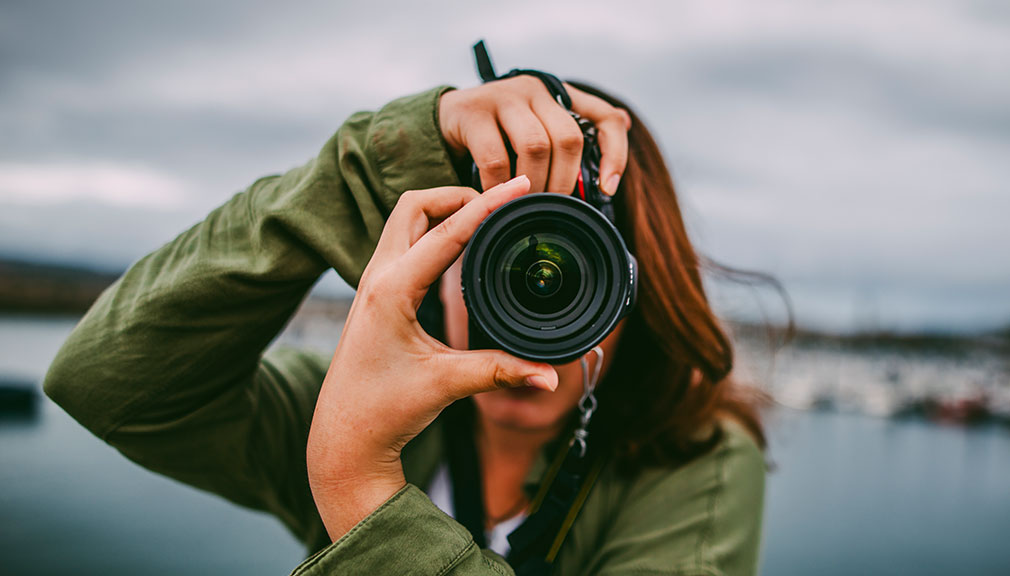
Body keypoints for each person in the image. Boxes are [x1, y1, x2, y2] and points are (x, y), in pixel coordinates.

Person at [45, 74, 767, 575]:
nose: (527, 322)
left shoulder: (697, 458)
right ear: (434, 267)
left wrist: (358, 484)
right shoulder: (346, 407)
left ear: (637, 293)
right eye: (493, 259)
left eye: (576, 277)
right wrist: (359, 168)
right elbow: (106, 383)